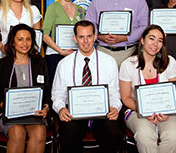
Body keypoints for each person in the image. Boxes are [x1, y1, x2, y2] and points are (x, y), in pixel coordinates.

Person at [52, 20, 123, 153]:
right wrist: (61, 109)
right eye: (81, 37)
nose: (86, 41)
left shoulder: (109, 62)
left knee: (113, 133)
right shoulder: (64, 64)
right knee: (68, 134)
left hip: (103, 113)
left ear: (95, 37)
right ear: (75, 38)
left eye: (89, 36)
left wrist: (115, 107)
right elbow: (57, 94)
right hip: (74, 114)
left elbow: (114, 93)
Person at [119, 25, 176, 153]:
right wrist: (145, 110)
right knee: (145, 136)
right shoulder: (128, 64)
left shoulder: (170, 62)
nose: (155, 44)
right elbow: (125, 98)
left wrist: (166, 111)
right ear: (142, 40)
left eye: (160, 40)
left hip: (167, 112)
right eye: (151, 38)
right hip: (137, 110)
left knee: (174, 137)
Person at [0, 24, 50, 153]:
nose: (25, 43)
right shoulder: (1, 65)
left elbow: (47, 90)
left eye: (28, 39)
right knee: (17, 132)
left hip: (33, 114)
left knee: (39, 132)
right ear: (12, 42)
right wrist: (4, 105)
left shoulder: (40, 63)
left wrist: (45, 107)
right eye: (20, 39)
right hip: (8, 115)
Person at [85, 0, 149, 68]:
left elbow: (144, 27)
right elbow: (89, 24)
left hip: (129, 54)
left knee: (128, 85)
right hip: (102, 52)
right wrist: (100, 37)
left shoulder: (138, 0)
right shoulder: (97, 0)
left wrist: (124, 38)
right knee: (103, 84)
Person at [42, 0, 85, 84]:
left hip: (75, 56)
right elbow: (45, 35)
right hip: (55, 55)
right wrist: (61, 51)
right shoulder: (53, 8)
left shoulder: (81, 10)